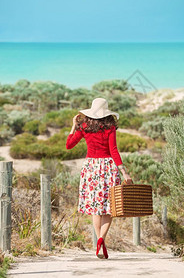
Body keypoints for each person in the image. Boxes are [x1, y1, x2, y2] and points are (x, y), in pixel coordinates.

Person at [66, 97, 132, 259]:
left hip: (91, 169)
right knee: (109, 208)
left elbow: (68, 145)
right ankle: (102, 238)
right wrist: (124, 172)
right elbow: (114, 151)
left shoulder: (85, 127)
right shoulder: (110, 128)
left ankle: (99, 242)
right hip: (108, 167)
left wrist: (74, 126)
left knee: (96, 208)